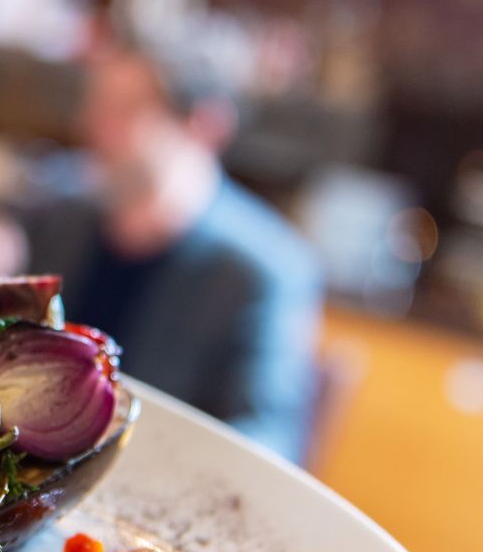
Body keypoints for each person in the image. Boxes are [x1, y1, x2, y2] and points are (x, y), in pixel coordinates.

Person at [25, 29, 322, 463]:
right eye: (96, 103)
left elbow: (266, 443)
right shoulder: (61, 214)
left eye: (125, 109)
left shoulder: (264, 272)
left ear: (205, 126)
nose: (93, 125)